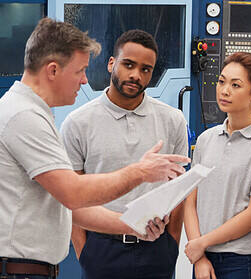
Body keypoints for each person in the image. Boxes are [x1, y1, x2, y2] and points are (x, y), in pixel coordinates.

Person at [0, 18, 188, 279]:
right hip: (13, 271)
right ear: (52, 70)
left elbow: (69, 205)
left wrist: (132, 226)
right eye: (79, 71)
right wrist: (139, 172)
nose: (84, 81)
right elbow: (73, 194)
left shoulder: (32, 112)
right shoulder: (23, 117)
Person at [60, 29, 188, 279]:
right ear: (111, 63)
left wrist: (172, 244)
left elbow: (179, 191)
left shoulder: (173, 121)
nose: (135, 75)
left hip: (157, 249)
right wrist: (83, 250)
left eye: (145, 69)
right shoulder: (78, 123)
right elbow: (71, 197)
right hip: (101, 250)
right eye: (128, 64)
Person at [182, 52, 251, 279]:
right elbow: (190, 202)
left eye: (236, 85)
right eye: (222, 81)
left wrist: (202, 243)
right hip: (202, 258)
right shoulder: (206, 139)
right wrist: (199, 256)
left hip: (241, 264)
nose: (224, 90)